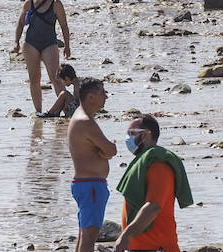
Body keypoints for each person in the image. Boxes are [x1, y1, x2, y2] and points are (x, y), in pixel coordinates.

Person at [113, 113, 193, 252]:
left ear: (145, 135)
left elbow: (153, 207)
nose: (128, 138)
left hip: (157, 247)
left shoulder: (158, 165)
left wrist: (126, 234)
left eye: (132, 133)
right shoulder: (144, 163)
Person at [68, 79, 116, 252]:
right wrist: (108, 150)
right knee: (89, 237)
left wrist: (104, 152)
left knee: (84, 235)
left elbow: (103, 150)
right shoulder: (86, 121)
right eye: (102, 93)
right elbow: (110, 150)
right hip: (90, 186)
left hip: (86, 185)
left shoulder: (81, 118)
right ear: (90, 97)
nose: (106, 96)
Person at [15, 0, 72, 117]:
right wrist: (16, 41)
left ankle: (67, 109)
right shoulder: (29, 3)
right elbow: (21, 23)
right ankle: (38, 111)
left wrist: (67, 46)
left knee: (55, 77)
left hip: (49, 43)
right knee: (34, 78)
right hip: (31, 44)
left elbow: (64, 26)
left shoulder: (56, 3)